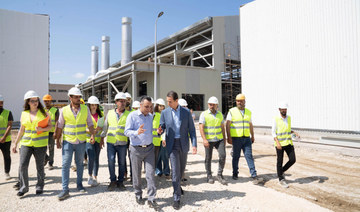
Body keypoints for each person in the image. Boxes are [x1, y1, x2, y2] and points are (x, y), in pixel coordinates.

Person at [158, 91, 197, 210]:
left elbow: (192, 130)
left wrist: (194, 144)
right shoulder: (164, 113)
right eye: (167, 101)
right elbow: (162, 126)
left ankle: (178, 185)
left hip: (183, 144)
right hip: (172, 145)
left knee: (181, 170)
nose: (168, 103)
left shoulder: (186, 112)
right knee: (175, 171)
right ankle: (176, 197)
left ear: (176, 101)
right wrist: (160, 131)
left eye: (170, 101)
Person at [56, 87, 96, 200]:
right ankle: (65, 189)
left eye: (79, 97)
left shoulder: (85, 109)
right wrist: (57, 140)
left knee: (79, 164)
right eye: (76, 97)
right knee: (65, 165)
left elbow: (90, 124)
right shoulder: (63, 110)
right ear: (70, 98)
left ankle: (79, 185)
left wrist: (92, 135)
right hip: (68, 141)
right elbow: (59, 126)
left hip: (81, 141)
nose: (78, 98)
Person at [12, 90, 52, 196]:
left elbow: (50, 127)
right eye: (32, 101)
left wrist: (41, 129)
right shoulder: (24, 114)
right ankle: (24, 187)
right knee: (22, 165)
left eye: (37, 100)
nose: (35, 102)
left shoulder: (44, 113)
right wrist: (15, 143)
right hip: (26, 143)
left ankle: (39, 186)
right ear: (28, 102)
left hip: (40, 144)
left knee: (40, 166)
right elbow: (21, 130)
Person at [125, 96, 159, 211]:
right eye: (146, 107)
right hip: (136, 149)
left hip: (149, 149)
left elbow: (149, 132)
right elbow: (126, 131)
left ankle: (151, 198)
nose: (148, 109)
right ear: (140, 105)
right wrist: (136, 132)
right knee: (136, 174)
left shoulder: (150, 116)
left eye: (150, 107)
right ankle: (138, 194)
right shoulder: (132, 116)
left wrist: (157, 132)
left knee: (150, 174)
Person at [225, 93, 263, 185]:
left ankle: (254, 176)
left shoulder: (248, 112)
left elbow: (250, 125)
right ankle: (235, 174)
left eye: (241, 101)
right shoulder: (232, 111)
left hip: (246, 138)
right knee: (236, 157)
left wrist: (252, 136)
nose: (239, 102)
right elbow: (227, 124)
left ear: (244, 102)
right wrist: (228, 137)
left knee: (249, 156)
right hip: (236, 138)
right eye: (238, 101)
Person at [101, 92, 129, 191]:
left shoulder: (128, 115)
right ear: (116, 102)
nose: (123, 103)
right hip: (111, 142)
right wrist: (101, 138)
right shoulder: (110, 113)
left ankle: (120, 182)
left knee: (122, 163)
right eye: (121, 101)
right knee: (111, 161)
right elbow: (105, 126)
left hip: (122, 143)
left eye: (124, 101)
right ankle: (113, 181)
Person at [199, 96, 227, 185]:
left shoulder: (220, 115)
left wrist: (224, 139)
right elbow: (201, 127)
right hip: (208, 140)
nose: (211, 106)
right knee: (208, 158)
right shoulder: (204, 114)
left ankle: (219, 174)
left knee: (223, 155)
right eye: (210, 104)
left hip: (219, 139)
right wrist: (204, 139)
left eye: (213, 105)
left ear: (216, 105)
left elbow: (223, 128)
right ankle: (209, 175)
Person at [272, 101, 299, 188]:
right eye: (282, 109)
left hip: (288, 143)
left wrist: (294, 132)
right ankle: (281, 179)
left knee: (292, 160)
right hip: (280, 144)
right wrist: (278, 143)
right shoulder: (276, 119)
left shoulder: (289, 118)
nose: (284, 110)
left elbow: (287, 129)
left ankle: (281, 171)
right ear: (279, 109)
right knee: (279, 161)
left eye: (285, 109)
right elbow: (273, 133)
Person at [86, 96, 104, 187]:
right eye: (92, 105)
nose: (93, 107)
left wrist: (100, 135)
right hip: (88, 139)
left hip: (97, 139)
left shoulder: (101, 116)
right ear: (89, 105)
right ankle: (89, 176)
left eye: (95, 105)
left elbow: (103, 128)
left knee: (96, 158)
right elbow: (83, 127)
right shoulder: (86, 115)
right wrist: (90, 130)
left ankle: (95, 177)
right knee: (91, 157)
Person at [153, 99, 170, 178]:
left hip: (163, 139)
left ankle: (166, 171)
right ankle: (158, 171)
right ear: (157, 106)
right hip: (155, 140)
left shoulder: (166, 115)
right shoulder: (153, 115)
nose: (162, 107)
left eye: (163, 106)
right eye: (160, 106)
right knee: (157, 157)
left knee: (165, 156)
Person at [42, 94, 59, 170]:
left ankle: (50, 163)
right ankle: (46, 158)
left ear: (50, 101)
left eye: (48, 101)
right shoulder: (42, 110)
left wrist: (56, 132)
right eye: (45, 101)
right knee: (42, 148)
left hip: (51, 132)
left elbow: (57, 121)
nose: (46, 102)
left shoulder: (55, 110)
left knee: (51, 148)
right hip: (43, 132)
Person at [0, 94, 13, 180]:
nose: (1, 104)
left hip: (6, 140)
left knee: (6, 156)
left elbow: (9, 125)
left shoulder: (8, 112)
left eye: (2, 102)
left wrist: (4, 137)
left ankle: (7, 172)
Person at [177, 98, 190, 184]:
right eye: (183, 106)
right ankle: (178, 178)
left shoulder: (188, 115)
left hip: (185, 141)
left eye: (186, 106)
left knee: (184, 160)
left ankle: (182, 176)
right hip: (176, 141)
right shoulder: (175, 115)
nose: (185, 108)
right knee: (177, 161)